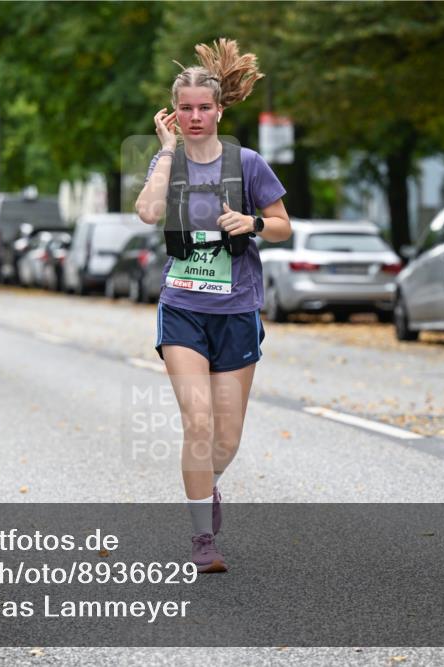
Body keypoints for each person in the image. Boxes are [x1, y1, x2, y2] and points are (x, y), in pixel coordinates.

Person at [135, 38, 292, 573]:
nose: (195, 116)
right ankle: (203, 539)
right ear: (173, 114)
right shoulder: (169, 161)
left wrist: (251, 223)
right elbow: (147, 211)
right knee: (197, 421)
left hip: (237, 309)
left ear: (220, 110)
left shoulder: (247, 164)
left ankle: (208, 487)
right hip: (182, 307)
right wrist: (163, 151)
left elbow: (283, 226)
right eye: (185, 109)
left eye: (204, 108)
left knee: (225, 437)